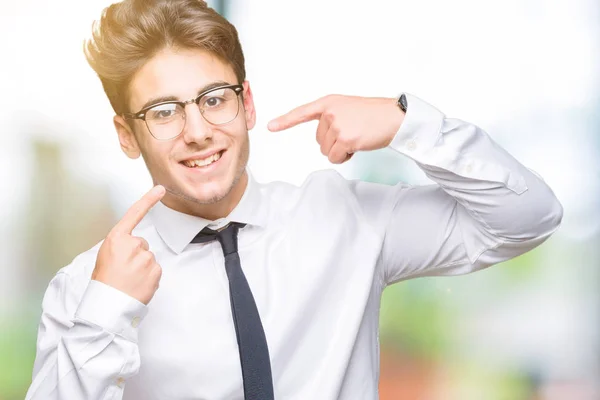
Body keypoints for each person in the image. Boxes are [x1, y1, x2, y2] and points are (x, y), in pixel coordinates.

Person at [25, 0, 563, 399]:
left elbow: (528, 217)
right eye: (163, 111)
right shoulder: (84, 291)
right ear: (126, 135)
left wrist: (408, 122)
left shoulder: (345, 219)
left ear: (248, 104)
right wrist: (107, 311)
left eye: (214, 99)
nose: (197, 131)